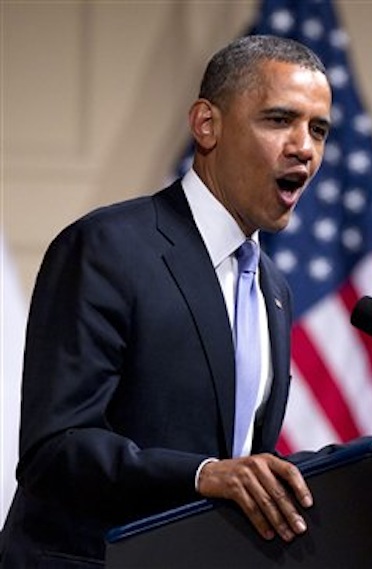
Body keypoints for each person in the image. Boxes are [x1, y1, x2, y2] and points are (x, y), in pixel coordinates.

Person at [0, 34, 332, 567]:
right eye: (279, 120)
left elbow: (242, 458)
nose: (305, 148)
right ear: (207, 125)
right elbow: (54, 449)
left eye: (318, 129)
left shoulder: (273, 289)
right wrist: (203, 475)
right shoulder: (108, 247)